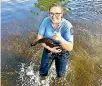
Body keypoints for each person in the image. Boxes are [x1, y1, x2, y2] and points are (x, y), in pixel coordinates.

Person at [37, 2, 73, 77]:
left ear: (62, 14)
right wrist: (50, 48)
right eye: (51, 13)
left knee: (60, 75)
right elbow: (39, 38)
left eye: (57, 13)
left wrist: (60, 38)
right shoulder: (46, 21)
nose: (54, 16)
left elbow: (70, 47)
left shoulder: (67, 25)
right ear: (49, 13)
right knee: (42, 72)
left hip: (63, 51)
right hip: (49, 48)